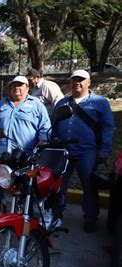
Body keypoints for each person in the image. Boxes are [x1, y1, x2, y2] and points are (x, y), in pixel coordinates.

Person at [53, 69, 116, 233]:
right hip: (63, 150)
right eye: (74, 80)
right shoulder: (62, 103)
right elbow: (54, 125)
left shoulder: (100, 102)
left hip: (87, 151)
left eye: (81, 80)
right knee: (59, 184)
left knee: (89, 185)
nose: (77, 83)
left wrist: (105, 149)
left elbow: (108, 127)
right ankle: (56, 214)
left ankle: (90, 218)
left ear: (89, 83)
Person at [0, 76, 51, 213]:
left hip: (25, 152)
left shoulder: (36, 104)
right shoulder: (2, 104)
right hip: (2, 150)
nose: (17, 87)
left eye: (20, 85)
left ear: (27, 88)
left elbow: (45, 126)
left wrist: (43, 141)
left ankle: (23, 208)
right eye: (14, 85)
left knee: (24, 181)